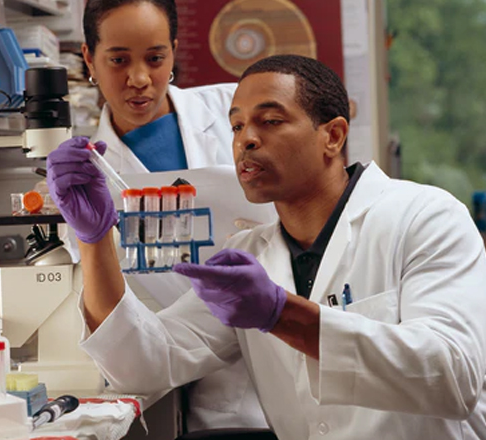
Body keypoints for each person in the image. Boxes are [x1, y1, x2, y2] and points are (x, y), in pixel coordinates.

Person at [47, 54, 486, 439]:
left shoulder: (425, 217)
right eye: (237, 125)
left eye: (270, 121)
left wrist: (283, 315)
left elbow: (454, 377)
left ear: (332, 135)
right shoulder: (251, 255)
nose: (245, 140)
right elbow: (143, 364)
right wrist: (95, 239)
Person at [59, 0, 270, 432]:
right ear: (89, 59)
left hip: (302, 342)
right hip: (218, 393)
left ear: (174, 52)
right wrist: (91, 235)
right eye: (118, 60)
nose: (139, 79)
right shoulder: (85, 178)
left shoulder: (235, 111)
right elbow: (114, 313)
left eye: (156, 59)